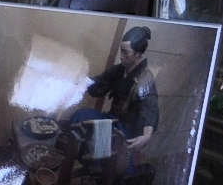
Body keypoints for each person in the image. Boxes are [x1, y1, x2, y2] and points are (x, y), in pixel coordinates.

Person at [68, 26, 159, 177]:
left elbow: (150, 109)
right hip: (111, 119)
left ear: (138, 54)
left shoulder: (145, 79)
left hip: (126, 131)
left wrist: (147, 136)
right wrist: (81, 82)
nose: (121, 56)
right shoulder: (121, 69)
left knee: (104, 145)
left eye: (126, 52)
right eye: (121, 51)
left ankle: (98, 172)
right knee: (81, 116)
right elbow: (100, 82)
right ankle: (90, 162)